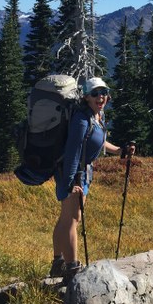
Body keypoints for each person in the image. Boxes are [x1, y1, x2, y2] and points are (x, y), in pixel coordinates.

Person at [50, 76, 135, 279]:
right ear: (86, 96)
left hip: (82, 173)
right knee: (72, 219)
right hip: (73, 174)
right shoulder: (81, 119)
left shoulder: (96, 116)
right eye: (95, 94)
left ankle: (58, 262)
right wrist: (71, 182)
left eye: (104, 92)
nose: (101, 97)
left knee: (66, 217)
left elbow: (99, 140)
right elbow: (72, 151)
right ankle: (71, 269)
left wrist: (119, 151)